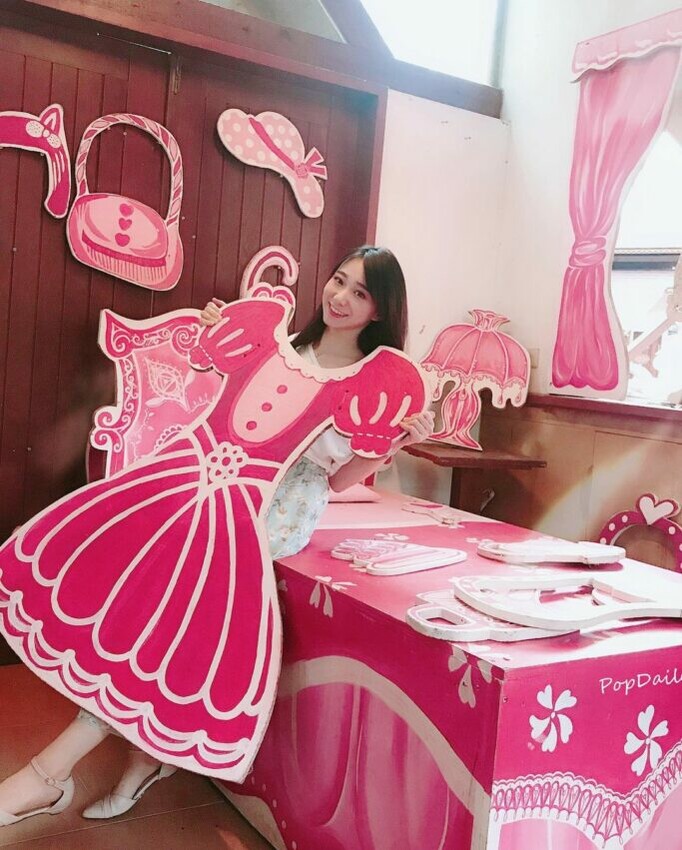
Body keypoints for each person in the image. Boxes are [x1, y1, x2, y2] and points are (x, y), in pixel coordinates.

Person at [0, 245, 433, 825]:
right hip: (205, 482)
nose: (340, 297)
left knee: (166, 618)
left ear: (380, 309)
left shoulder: (373, 384)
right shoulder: (287, 345)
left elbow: (341, 477)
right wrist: (215, 332)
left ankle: (49, 776)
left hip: (275, 506)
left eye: (360, 292)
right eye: (338, 280)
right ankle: (137, 761)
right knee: (145, 606)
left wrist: (398, 441)